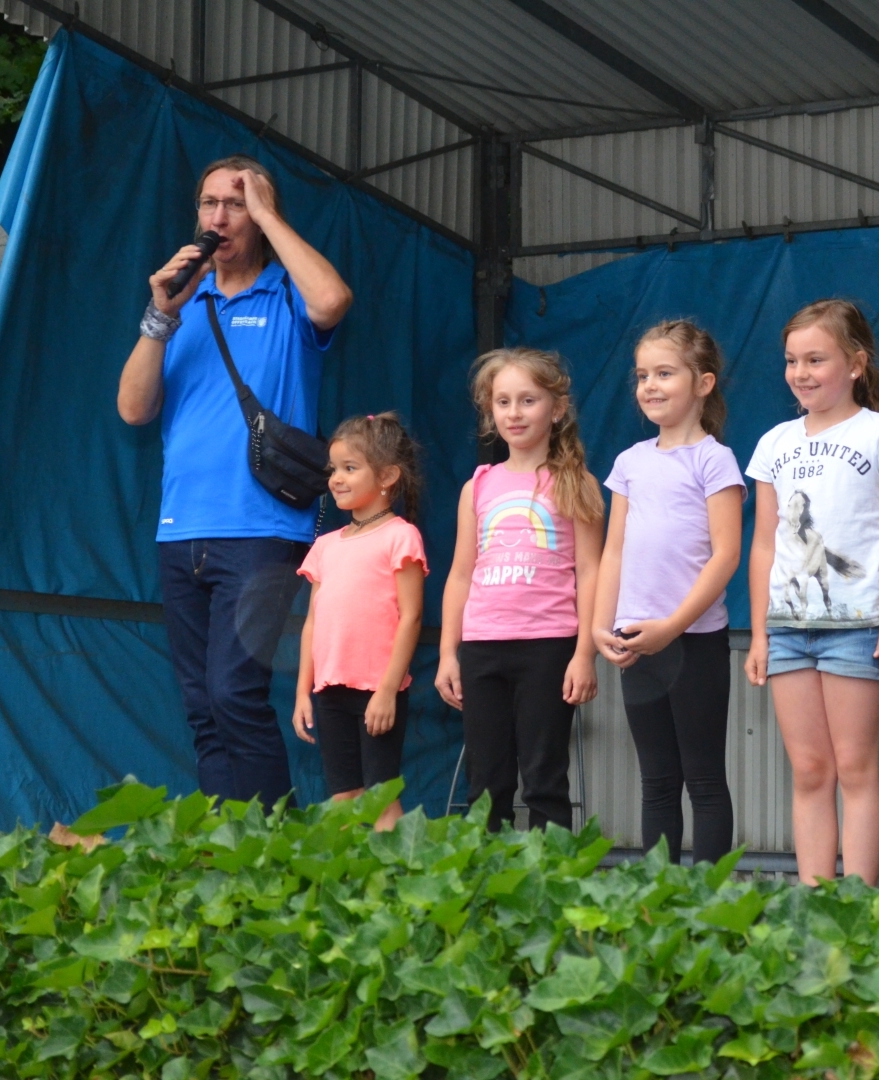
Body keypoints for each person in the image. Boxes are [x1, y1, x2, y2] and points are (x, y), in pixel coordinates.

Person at [118, 154, 352, 808]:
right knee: (202, 705)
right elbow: (133, 409)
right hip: (180, 530)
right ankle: (225, 847)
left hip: (262, 529)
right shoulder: (184, 304)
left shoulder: (287, 295)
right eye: (210, 202)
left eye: (237, 203)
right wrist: (159, 315)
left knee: (234, 692)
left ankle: (272, 844)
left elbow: (333, 300)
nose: (219, 216)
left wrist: (268, 213)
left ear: (263, 215)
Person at [744, 299, 879, 885]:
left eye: (815, 359)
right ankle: (814, 897)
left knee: (854, 767)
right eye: (791, 360)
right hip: (786, 630)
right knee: (808, 770)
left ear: (855, 364)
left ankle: (861, 902)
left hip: (858, 628)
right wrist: (759, 633)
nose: (800, 372)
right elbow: (764, 545)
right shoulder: (774, 442)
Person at [593, 320, 745, 865]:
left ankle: (707, 899)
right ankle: (659, 896)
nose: (650, 386)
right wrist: (599, 625)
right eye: (642, 376)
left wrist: (673, 626)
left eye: (664, 373)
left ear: (703, 383)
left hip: (694, 641)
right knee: (656, 780)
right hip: (637, 639)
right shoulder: (629, 462)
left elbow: (726, 554)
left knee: (703, 778)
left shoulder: (713, 459)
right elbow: (613, 551)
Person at [435, 349, 604, 831]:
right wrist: (448, 654)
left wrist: (584, 654)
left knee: (544, 779)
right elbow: (460, 574)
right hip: (482, 647)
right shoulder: (477, 486)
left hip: (548, 646)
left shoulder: (577, 483)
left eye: (528, 400)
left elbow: (591, 571)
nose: (514, 412)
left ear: (558, 408)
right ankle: (488, 874)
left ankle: (550, 872)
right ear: (490, 411)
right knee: (486, 785)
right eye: (503, 401)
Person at [292, 413, 426, 832]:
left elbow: (411, 617)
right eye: (334, 469)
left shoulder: (400, 536)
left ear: (387, 476)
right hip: (330, 691)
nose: (336, 479)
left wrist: (387, 690)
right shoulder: (326, 545)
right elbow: (312, 622)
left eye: (350, 468)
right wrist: (302, 691)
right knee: (343, 797)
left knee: (381, 798)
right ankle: (347, 872)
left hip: (377, 689)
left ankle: (401, 869)